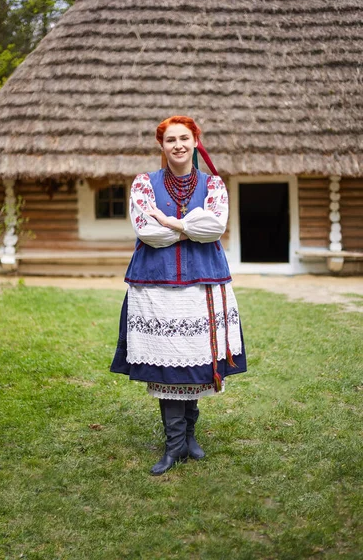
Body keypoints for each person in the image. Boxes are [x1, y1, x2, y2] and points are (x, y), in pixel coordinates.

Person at [111, 116, 246, 476]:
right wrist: (192, 228)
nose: (178, 145)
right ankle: (174, 445)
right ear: (162, 145)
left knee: (196, 359)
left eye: (184, 138)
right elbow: (146, 230)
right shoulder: (144, 184)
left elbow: (216, 226)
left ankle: (189, 437)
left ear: (195, 141)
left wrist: (172, 223)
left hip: (203, 281)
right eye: (170, 140)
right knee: (167, 361)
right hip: (156, 282)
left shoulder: (213, 184)